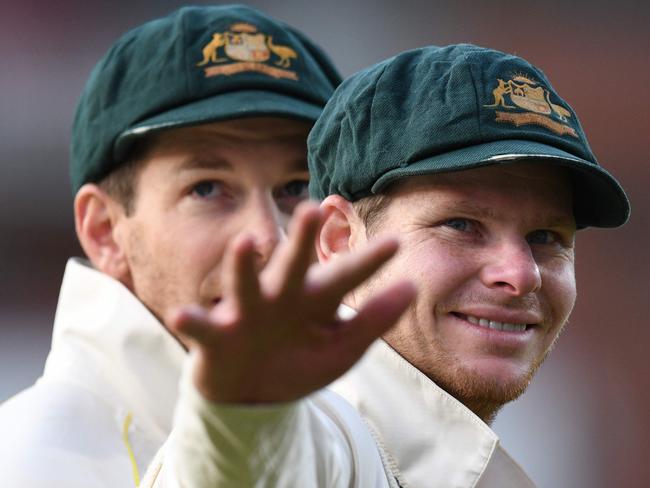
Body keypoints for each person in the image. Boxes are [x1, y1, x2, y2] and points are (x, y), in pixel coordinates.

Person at [143, 44, 631, 487]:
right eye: (460, 224)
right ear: (338, 238)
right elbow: (259, 463)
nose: (520, 274)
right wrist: (241, 414)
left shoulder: (461, 463)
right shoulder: (327, 433)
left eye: (545, 237)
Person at [0, 4, 361, 486]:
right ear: (105, 231)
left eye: (296, 187)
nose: (268, 237)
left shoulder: (358, 437)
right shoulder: (29, 463)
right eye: (207, 188)